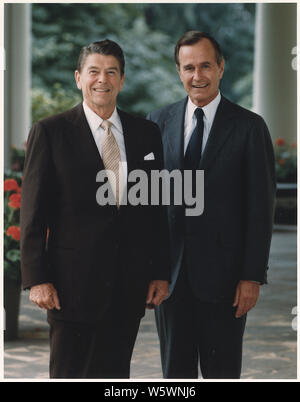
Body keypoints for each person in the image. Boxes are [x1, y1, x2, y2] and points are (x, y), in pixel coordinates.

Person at [20, 39, 170, 379]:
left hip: (128, 285)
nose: (102, 80)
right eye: (94, 71)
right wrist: (37, 279)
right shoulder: (50, 132)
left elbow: (155, 209)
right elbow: (33, 213)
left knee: (116, 376)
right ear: (78, 77)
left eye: (111, 72)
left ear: (122, 80)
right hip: (70, 286)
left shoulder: (146, 133)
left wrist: (160, 271)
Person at [147, 31, 276, 379]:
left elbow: (260, 209)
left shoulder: (249, 127)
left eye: (205, 65)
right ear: (178, 72)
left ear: (221, 68)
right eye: (188, 67)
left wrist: (251, 276)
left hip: (226, 279)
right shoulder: (157, 122)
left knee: (222, 372)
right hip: (170, 279)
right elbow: (148, 204)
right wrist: (150, 269)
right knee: (175, 375)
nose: (197, 75)